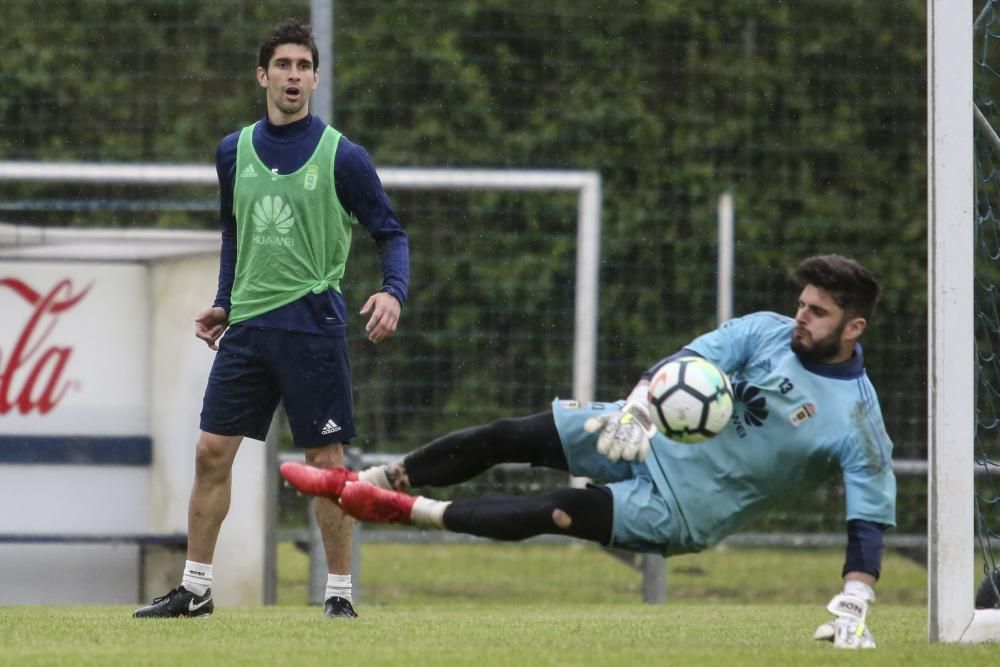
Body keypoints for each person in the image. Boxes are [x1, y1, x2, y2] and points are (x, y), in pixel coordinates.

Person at [281, 255, 893, 648]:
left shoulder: (859, 422)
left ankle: (393, 509)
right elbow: (691, 361)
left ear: (853, 328)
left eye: (818, 312)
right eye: (802, 304)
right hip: (644, 431)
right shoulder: (766, 330)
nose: (800, 318)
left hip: (687, 508)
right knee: (513, 435)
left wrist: (856, 599)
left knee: (556, 510)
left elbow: (867, 519)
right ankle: (382, 476)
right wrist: (636, 404)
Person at [134, 17, 408, 620]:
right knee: (211, 452)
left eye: (304, 66)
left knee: (327, 467)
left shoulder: (344, 155)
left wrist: (393, 291)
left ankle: (338, 596)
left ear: (315, 77)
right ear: (263, 75)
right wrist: (225, 301)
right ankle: (197, 589)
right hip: (248, 332)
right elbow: (234, 234)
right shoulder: (232, 151)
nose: (293, 75)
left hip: (314, 328)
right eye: (282, 65)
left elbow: (390, 232)